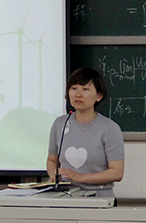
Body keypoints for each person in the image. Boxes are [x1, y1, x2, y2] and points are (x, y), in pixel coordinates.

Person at [47, 67, 124, 197]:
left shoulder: (109, 128)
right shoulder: (60, 124)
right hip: (66, 196)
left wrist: (79, 177)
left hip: (99, 198)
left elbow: (117, 172)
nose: (78, 94)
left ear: (99, 96)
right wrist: (54, 177)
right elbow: (52, 160)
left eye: (85, 89)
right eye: (74, 88)